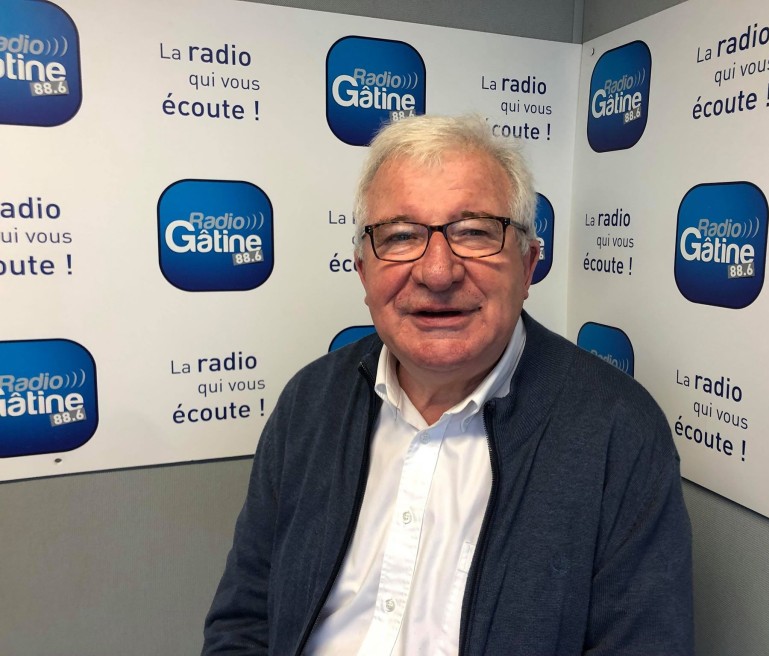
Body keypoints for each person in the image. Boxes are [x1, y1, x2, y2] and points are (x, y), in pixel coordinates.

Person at [202, 114, 693, 655]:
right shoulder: (309, 404)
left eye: (474, 232)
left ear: (528, 265)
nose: (438, 272)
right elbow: (243, 623)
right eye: (401, 236)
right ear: (363, 271)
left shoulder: (619, 433)